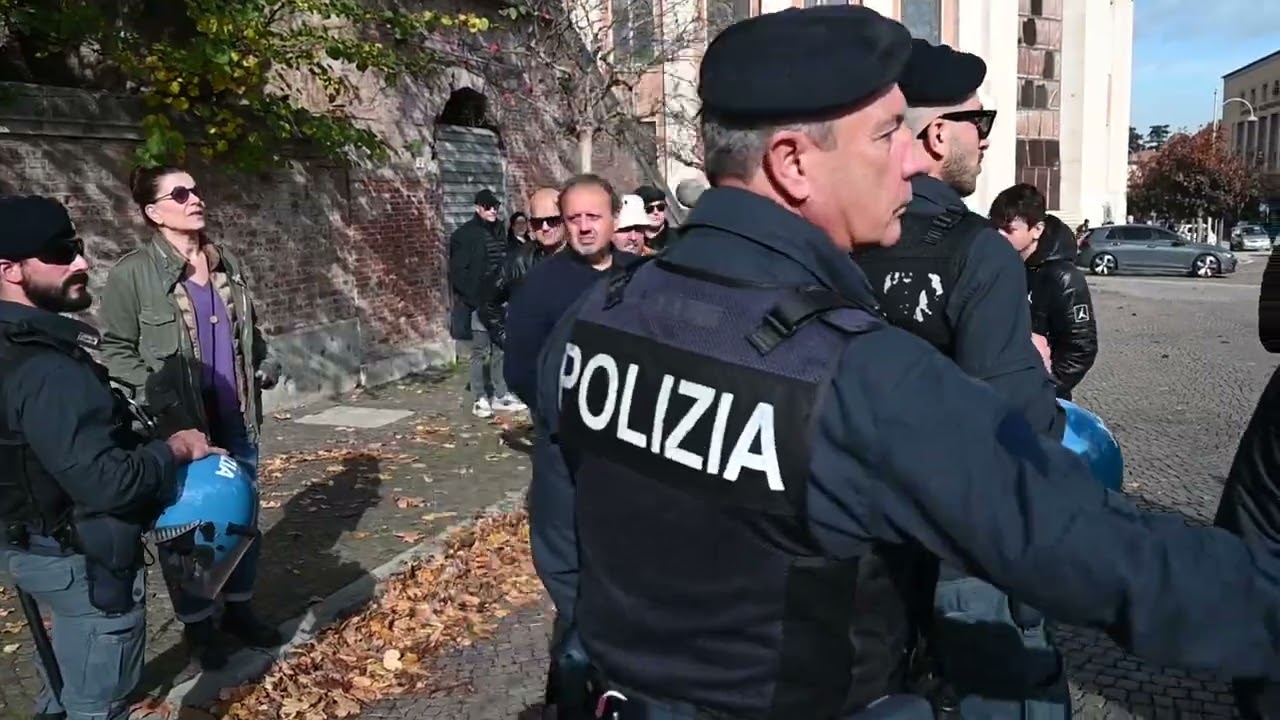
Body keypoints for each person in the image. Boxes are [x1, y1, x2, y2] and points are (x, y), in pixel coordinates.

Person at [532, 6, 1280, 719]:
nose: (908, 161)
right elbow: (1095, 548)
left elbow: (563, 542)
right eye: (887, 133)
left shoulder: (595, 318)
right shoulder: (858, 376)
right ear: (794, 163)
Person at [849, 39, 1072, 719]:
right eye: (982, 122)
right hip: (961, 550)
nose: (985, 139)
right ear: (938, 132)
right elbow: (1018, 432)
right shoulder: (979, 252)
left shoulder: (836, 236)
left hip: (852, 554)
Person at [0, 194, 218, 720]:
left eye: (76, 247)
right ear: (8, 269)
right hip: (75, 559)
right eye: (60, 252)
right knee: (97, 701)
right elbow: (107, 484)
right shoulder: (44, 368)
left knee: (65, 684)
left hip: (28, 545)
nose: (81, 262)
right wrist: (175, 449)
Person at [98, 166, 283, 671]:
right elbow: (115, 351)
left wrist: (266, 360)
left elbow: (251, 332)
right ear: (153, 212)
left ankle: (240, 611)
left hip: (238, 419)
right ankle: (200, 626)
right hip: (184, 429)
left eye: (197, 189)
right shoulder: (133, 274)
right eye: (179, 193)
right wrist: (161, 405)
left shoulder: (226, 262)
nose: (194, 198)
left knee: (242, 518)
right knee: (190, 532)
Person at [990, 183, 1098, 400]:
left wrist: (1047, 387)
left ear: (1036, 230)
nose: (999, 236)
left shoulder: (1063, 277)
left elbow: (1081, 349)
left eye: (1009, 230)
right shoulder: (998, 264)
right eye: (996, 227)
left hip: (1040, 397)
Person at [448, 188, 521, 417]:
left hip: (501, 302)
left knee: (501, 348)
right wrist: (475, 301)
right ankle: (480, 398)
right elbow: (458, 274)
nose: (493, 210)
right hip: (480, 303)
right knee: (480, 351)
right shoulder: (464, 235)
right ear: (477, 208)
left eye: (495, 207)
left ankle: (500, 394)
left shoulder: (500, 230)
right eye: (488, 207)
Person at [479, 188, 565, 352]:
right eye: (538, 223)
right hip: (536, 359)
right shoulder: (518, 261)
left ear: (565, 219)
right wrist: (506, 339)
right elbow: (488, 301)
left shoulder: (585, 256)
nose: (545, 228)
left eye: (552, 220)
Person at [632, 185, 672, 252]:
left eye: (660, 207)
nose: (656, 212)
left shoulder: (680, 238)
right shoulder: (632, 241)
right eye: (649, 209)